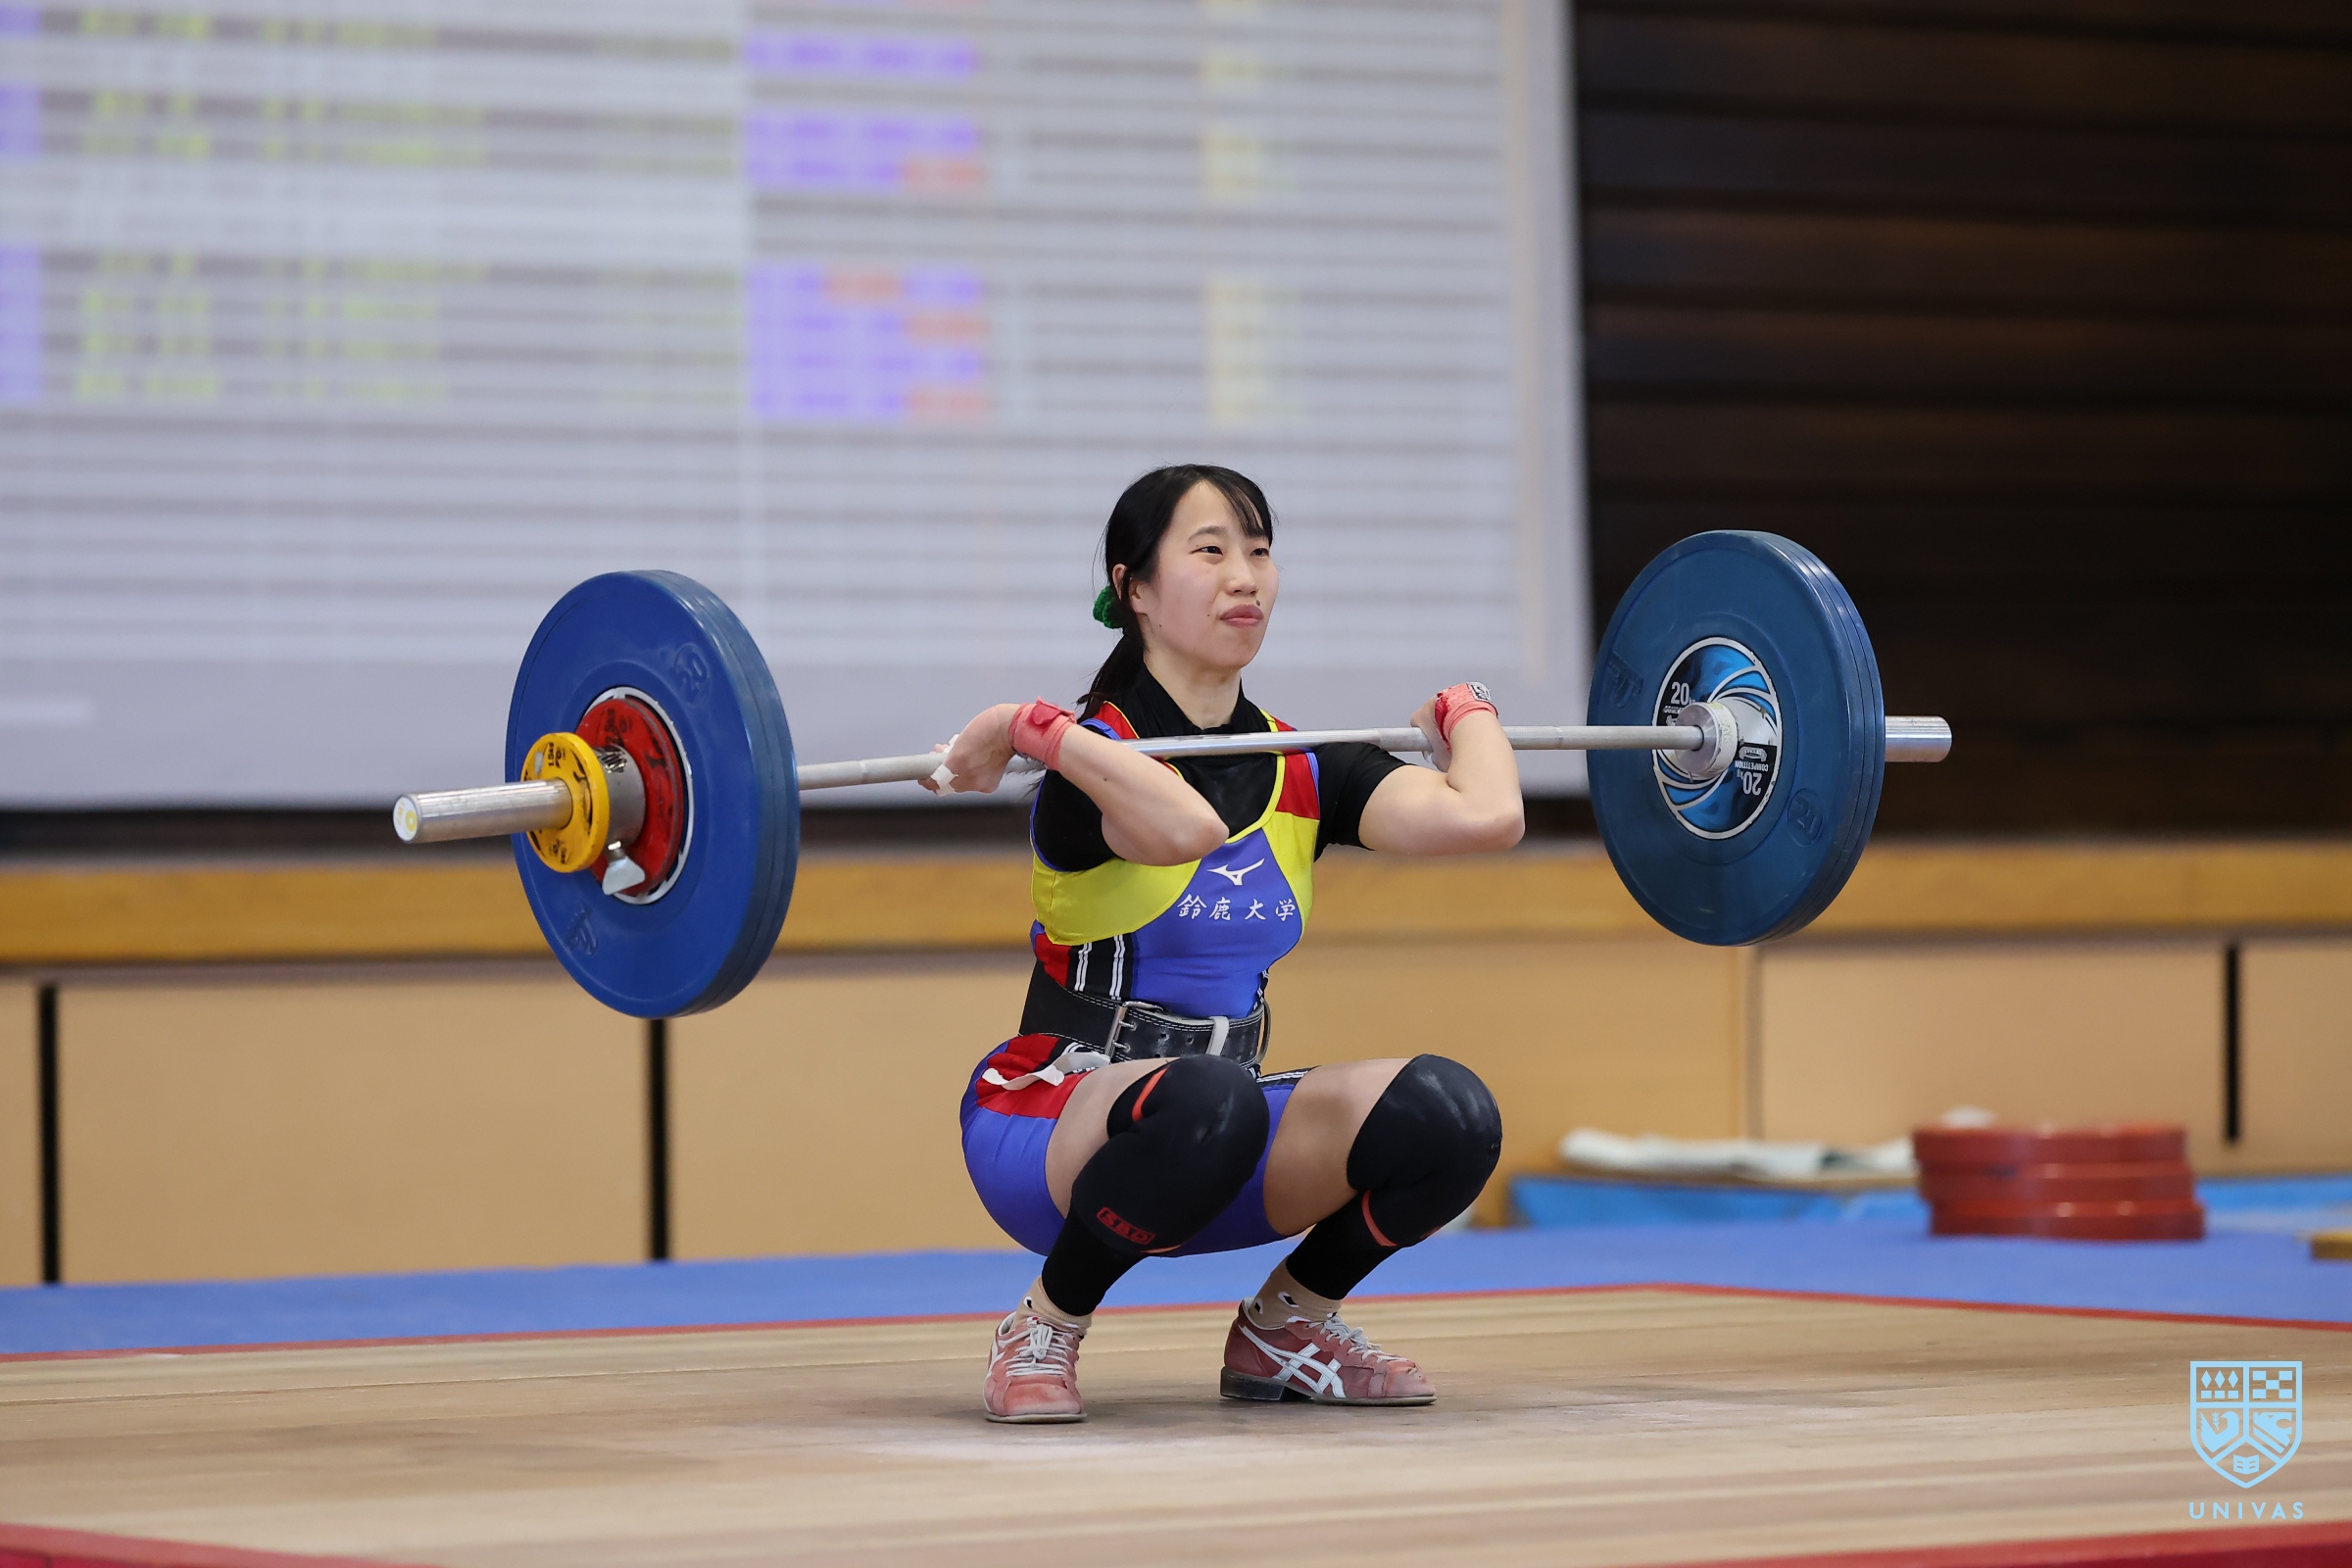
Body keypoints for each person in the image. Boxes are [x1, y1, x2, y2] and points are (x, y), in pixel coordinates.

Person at [931, 465, 1519, 1424]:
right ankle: (1044, 1324)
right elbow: (1187, 826)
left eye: (1259, 550)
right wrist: (1032, 729)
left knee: (1450, 1114)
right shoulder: (1092, 762)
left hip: (1222, 1134)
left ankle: (1287, 1325)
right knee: (1211, 1100)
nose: (1245, 576)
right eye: (1210, 551)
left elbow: (1488, 815)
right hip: (1051, 1125)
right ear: (1133, 588)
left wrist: (1468, 707)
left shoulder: (1303, 763)